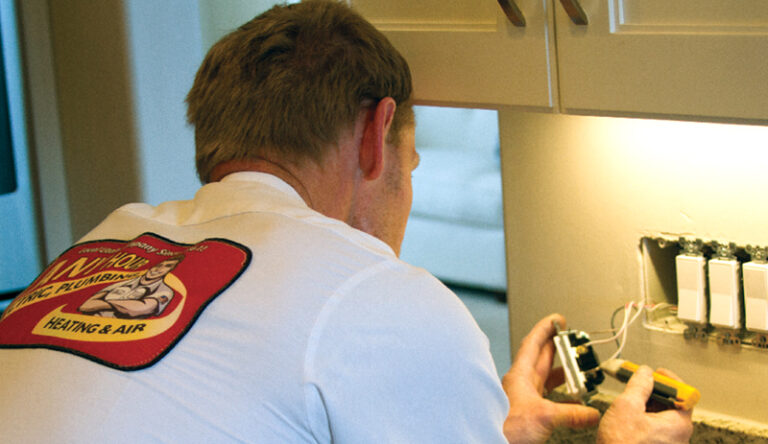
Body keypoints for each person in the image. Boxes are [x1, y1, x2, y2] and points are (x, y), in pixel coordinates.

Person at [0, 1, 693, 442]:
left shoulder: (109, 238)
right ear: (376, 134)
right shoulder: (381, 297)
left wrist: (486, 424)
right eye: (411, 162)